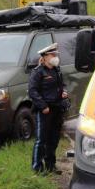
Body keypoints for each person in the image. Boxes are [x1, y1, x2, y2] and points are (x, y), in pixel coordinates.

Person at [28, 42, 69, 174]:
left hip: (57, 108)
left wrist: (64, 92)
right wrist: (43, 106)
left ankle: (51, 165)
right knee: (41, 140)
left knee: (54, 139)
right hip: (45, 110)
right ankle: (37, 168)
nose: (55, 57)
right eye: (53, 54)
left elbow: (62, 85)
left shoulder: (57, 70)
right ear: (45, 57)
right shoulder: (38, 72)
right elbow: (32, 91)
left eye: (56, 54)